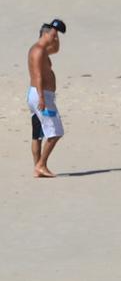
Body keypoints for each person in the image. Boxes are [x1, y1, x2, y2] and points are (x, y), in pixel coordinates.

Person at [27, 19, 67, 178]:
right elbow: (37, 75)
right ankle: (41, 165)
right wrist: (42, 98)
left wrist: (57, 31)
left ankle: (38, 168)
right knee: (56, 132)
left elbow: (56, 50)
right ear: (45, 34)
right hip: (41, 96)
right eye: (53, 35)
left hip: (36, 95)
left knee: (37, 134)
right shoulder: (38, 51)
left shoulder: (42, 49)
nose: (55, 38)